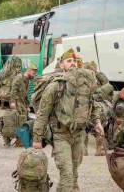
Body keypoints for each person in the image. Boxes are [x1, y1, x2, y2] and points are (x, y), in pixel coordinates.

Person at [32, 48, 101, 192]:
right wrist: (37, 138)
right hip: (60, 135)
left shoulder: (85, 86)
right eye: (69, 61)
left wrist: (98, 122)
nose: (73, 64)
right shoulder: (56, 85)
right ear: (62, 65)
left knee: (74, 173)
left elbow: (93, 106)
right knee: (67, 175)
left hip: (79, 135)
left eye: (75, 61)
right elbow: (42, 114)